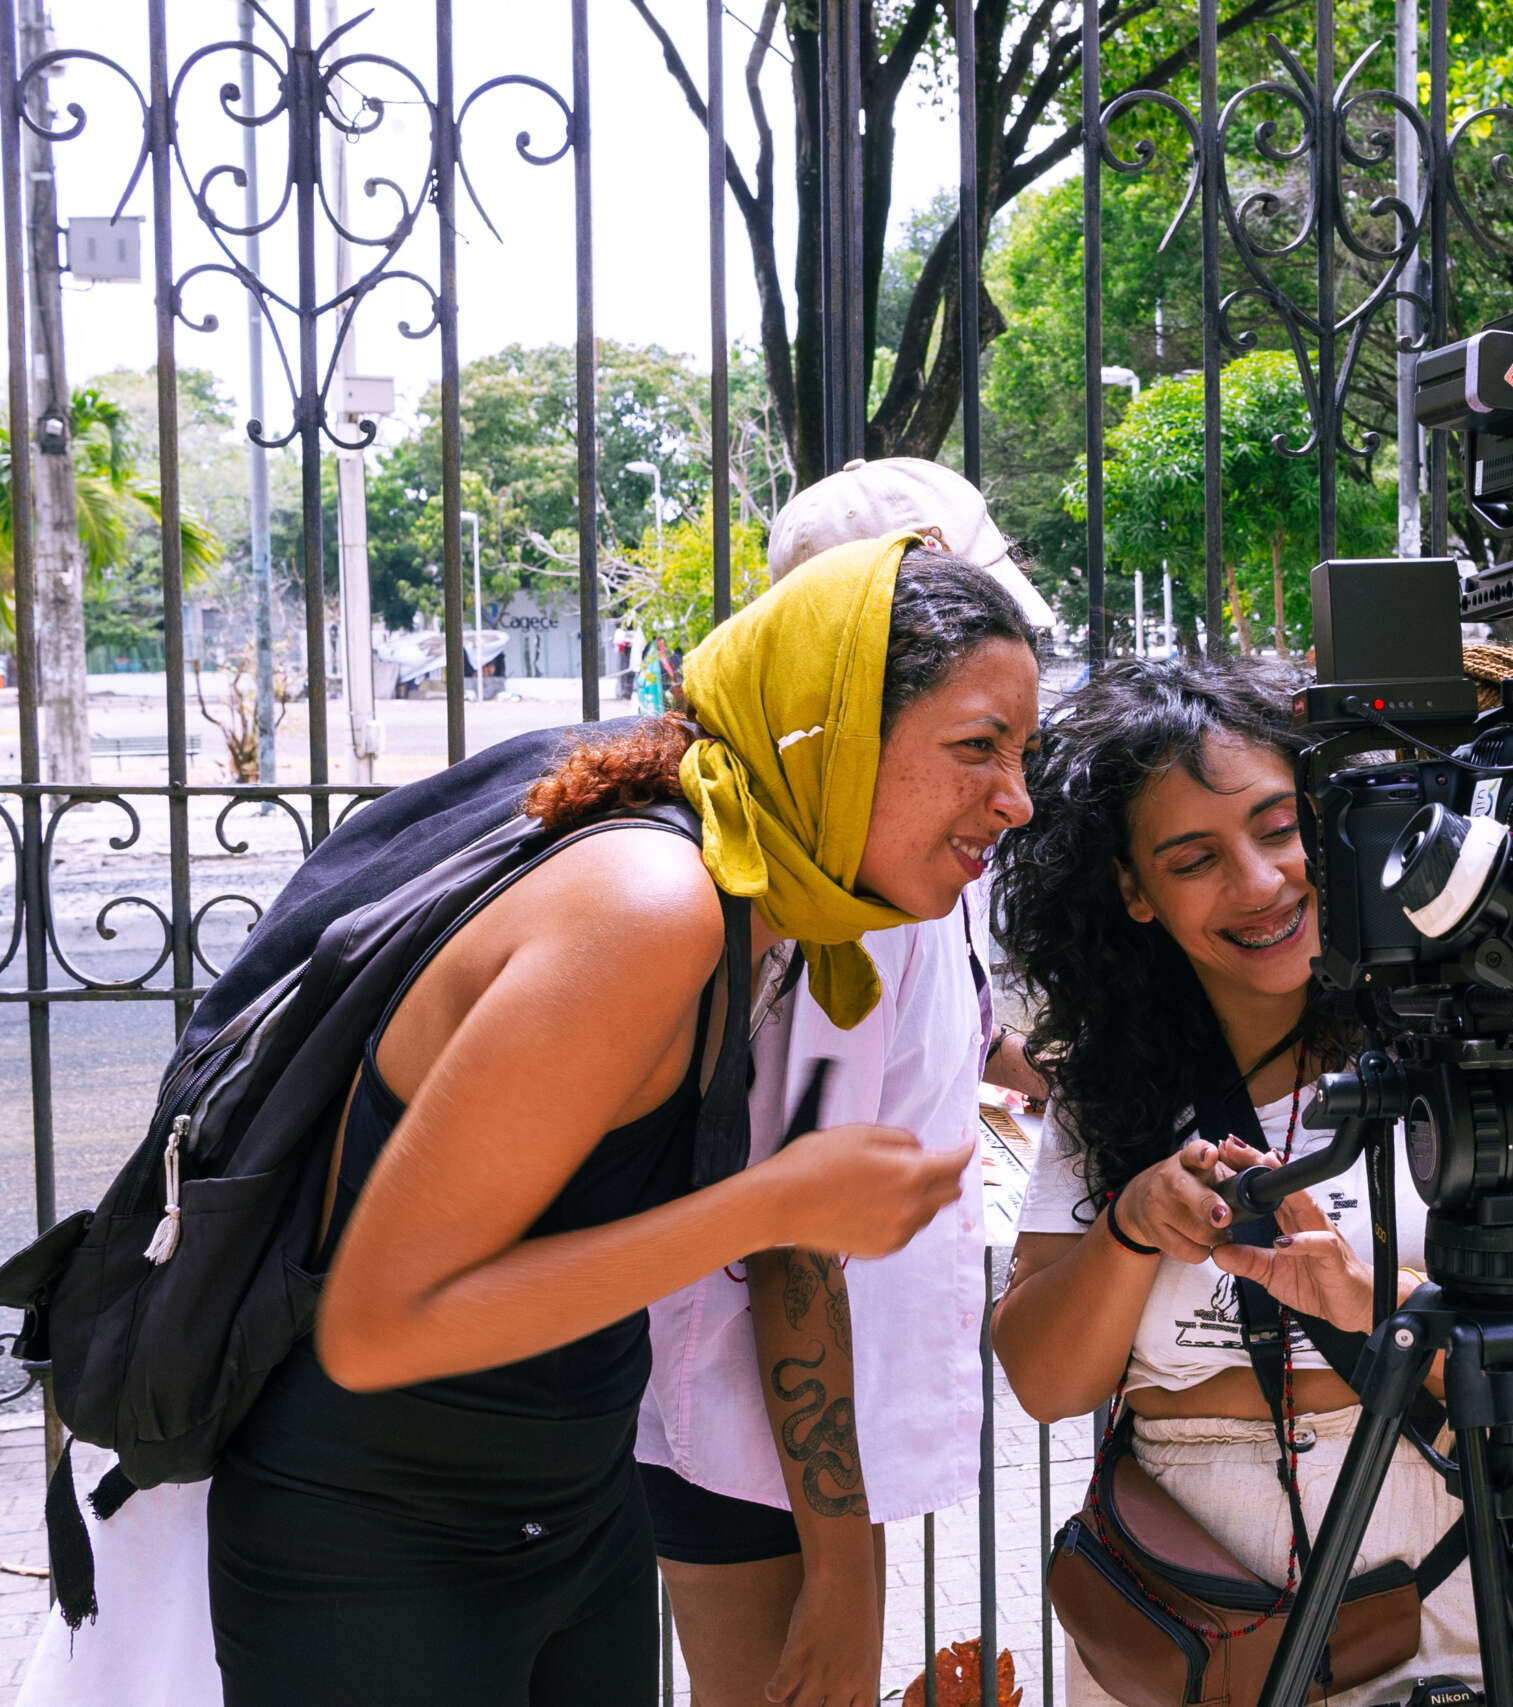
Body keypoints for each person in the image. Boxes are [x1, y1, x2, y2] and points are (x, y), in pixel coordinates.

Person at [203, 535, 1041, 1707]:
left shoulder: (757, 895)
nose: (1016, 797)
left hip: (565, 1509)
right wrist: (772, 1203)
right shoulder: (654, 907)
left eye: (1022, 752)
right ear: (826, 728)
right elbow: (378, 1328)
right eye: (977, 748)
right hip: (378, 1549)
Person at [987, 656, 1513, 1707]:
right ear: (1131, 892)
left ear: (1340, 826)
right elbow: (1047, 1385)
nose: (1256, 884)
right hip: (1189, 1611)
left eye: (1279, 827)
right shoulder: (1102, 1090)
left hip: (1452, 1568)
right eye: (1192, 857)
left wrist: (1380, 1316)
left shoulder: (1489, 1045)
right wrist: (1131, 1227)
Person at [640, 458, 1048, 1707]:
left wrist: (1025, 1063)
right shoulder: (838, 887)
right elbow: (790, 1244)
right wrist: (847, 1572)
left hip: (809, 1434)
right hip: (756, 1438)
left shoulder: (884, 840)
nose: (1012, 791)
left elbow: (925, 1036)